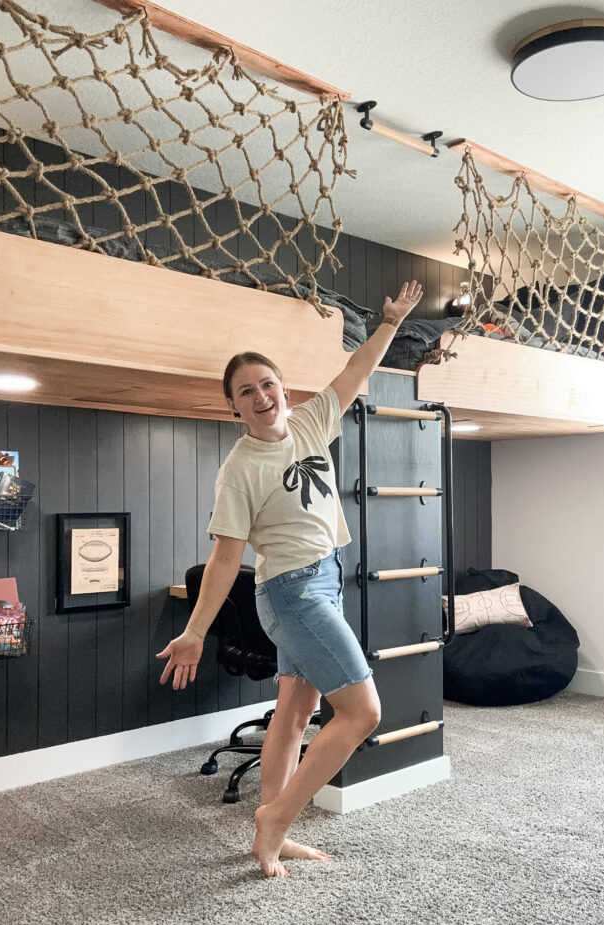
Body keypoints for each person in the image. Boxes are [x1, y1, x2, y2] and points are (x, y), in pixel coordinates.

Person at [157, 280, 423, 877]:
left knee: (294, 713)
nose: (261, 396)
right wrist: (196, 630)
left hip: (324, 579)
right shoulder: (239, 471)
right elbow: (226, 559)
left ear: (282, 388)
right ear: (233, 406)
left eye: (267, 384)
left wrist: (390, 321)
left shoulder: (309, 421)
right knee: (362, 712)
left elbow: (357, 369)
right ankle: (276, 818)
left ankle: (270, 833)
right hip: (291, 592)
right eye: (245, 392)